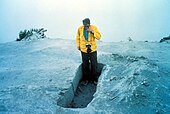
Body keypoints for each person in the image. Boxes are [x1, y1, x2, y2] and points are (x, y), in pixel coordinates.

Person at [76, 18, 101, 85]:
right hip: (84, 50)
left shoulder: (94, 28)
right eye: (85, 25)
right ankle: (86, 79)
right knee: (85, 65)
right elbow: (77, 37)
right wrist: (78, 45)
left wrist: (92, 32)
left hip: (92, 50)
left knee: (94, 65)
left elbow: (99, 37)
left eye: (87, 25)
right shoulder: (80, 29)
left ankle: (95, 79)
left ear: (89, 23)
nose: (86, 26)